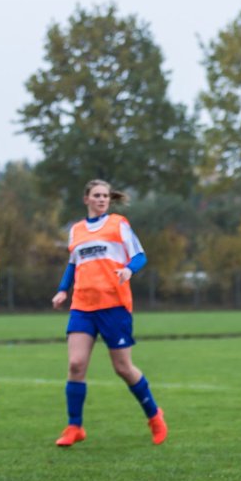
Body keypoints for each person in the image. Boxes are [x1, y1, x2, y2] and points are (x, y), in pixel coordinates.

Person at [50, 179, 167, 448]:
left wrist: (128, 269)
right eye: (97, 195)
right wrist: (62, 290)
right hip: (82, 305)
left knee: (123, 368)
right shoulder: (76, 230)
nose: (102, 199)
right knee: (76, 364)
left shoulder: (118, 224)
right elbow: (72, 264)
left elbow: (139, 256)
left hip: (114, 305)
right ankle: (74, 426)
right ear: (86, 199)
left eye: (105, 195)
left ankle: (154, 416)